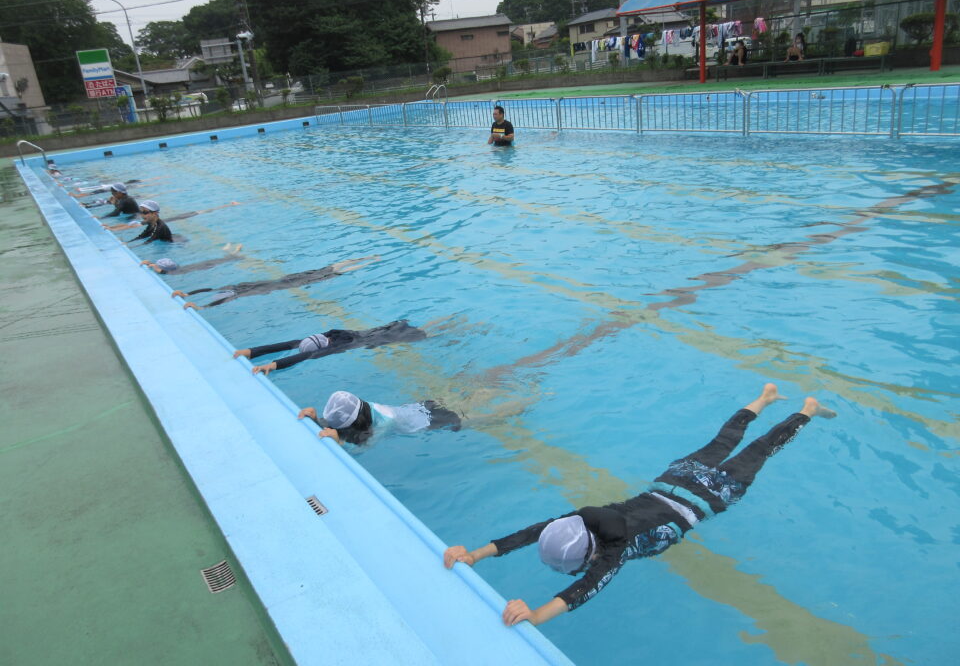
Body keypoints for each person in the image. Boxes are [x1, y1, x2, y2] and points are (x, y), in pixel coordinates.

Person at [443, 384, 836, 628]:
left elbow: (582, 590)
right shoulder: (580, 519)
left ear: (589, 555)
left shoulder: (613, 552)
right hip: (676, 478)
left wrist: (536, 615)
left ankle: (808, 410)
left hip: (712, 495)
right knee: (724, 439)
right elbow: (530, 533)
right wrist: (473, 555)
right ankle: (765, 397)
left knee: (762, 449)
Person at [172, 256, 378, 309]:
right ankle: (365, 259)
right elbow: (212, 290)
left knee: (329, 273)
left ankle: (365, 262)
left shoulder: (237, 292)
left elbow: (217, 296)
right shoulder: (236, 288)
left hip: (288, 283)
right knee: (326, 270)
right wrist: (189, 295)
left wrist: (201, 306)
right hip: (286, 280)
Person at [234, 319, 427, 375]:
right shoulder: (332, 334)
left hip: (383, 338)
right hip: (380, 330)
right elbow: (286, 345)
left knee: (428, 333)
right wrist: (251, 352)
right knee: (424, 329)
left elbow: (301, 356)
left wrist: (272, 365)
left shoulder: (336, 348)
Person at [298, 390, 462, 447]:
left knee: (469, 417)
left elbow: (364, 447)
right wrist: (315, 420)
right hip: (416, 408)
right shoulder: (361, 408)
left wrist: (339, 444)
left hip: (430, 421)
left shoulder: (385, 423)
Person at [106, 201, 241, 231]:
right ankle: (228, 205)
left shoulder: (153, 223)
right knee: (196, 213)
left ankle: (227, 205)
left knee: (197, 213)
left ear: (154, 213)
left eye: (145, 212)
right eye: (141, 212)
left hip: (174, 219)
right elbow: (129, 226)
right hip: (172, 219)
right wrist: (111, 227)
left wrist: (113, 229)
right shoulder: (146, 222)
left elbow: (129, 227)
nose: (142, 215)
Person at [141, 244, 243, 274]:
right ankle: (233, 251)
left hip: (202, 267)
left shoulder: (173, 273)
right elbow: (160, 269)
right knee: (223, 260)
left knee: (226, 260)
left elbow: (161, 271)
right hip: (201, 265)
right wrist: (150, 263)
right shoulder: (177, 269)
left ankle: (236, 251)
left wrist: (151, 265)